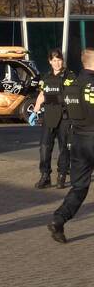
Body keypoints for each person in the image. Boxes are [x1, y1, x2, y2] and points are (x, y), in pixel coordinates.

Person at [49, 47, 94, 243]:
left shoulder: (73, 84)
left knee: (79, 186)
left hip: (77, 139)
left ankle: (59, 219)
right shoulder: (92, 85)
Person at [31, 48, 74, 189]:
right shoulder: (46, 76)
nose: (57, 63)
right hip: (49, 115)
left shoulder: (70, 76)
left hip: (64, 117)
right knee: (44, 147)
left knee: (64, 148)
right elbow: (42, 95)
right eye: (54, 60)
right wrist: (35, 111)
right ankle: (45, 176)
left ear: (62, 60)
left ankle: (62, 175)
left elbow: (74, 96)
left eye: (59, 60)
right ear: (50, 61)